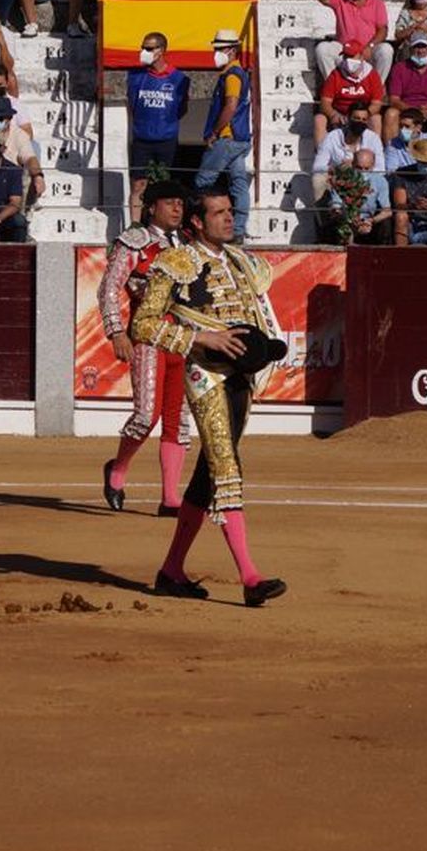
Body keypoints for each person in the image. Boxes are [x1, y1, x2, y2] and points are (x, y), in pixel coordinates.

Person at [129, 190, 288, 608]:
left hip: (240, 379)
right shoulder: (175, 263)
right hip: (206, 376)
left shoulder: (239, 262)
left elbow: (252, 316)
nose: (228, 219)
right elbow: (142, 325)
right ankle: (250, 577)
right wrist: (202, 337)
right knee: (225, 466)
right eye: (218, 213)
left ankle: (171, 571)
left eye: (230, 211)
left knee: (206, 478)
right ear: (196, 222)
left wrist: (265, 348)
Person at [98, 180, 192, 513]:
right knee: (144, 416)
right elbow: (109, 289)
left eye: (180, 202)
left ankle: (169, 498)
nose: (177, 208)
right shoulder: (133, 243)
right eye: (170, 202)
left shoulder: (188, 244)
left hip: (182, 338)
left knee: (177, 421)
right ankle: (118, 470)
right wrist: (116, 333)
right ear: (152, 207)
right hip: (148, 336)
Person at [194, 28, 252, 236]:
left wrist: (214, 133)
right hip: (240, 138)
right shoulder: (237, 74)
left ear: (233, 50)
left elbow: (230, 107)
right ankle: (237, 229)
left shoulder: (232, 77)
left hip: (227, 137)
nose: (216, 52)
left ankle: (199, 225)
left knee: (203, 181)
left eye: (221, 48)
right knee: (238, 184)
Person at [127, 32, 190, 220]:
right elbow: (132, 104)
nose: (143, 51)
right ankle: (135, 227)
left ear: (161, 51)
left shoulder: (179, 78)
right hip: (141, 139)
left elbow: (182, 108)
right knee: (138, 184)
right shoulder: (135, 76)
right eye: (142, 47)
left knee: (166, 186)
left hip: (166, 139)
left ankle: (165, 225)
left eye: (148, 48)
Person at [314, 0, 393, 81]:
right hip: (344, 49)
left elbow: (382, 30)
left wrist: (370, 47)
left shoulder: (377, 2)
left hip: (368, 49)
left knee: (386, 50)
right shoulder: (341, 0)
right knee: (322, 49)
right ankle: (335, 86)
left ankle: (377, 88)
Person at [382, 31, 427, 144]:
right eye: (416, 47)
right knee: (391, 113)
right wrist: (413, 110)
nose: (420, 51)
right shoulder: (400, 68)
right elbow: (394, 99)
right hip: (407, 111)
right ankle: (391, 151)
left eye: (423, 47)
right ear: (410, 50)